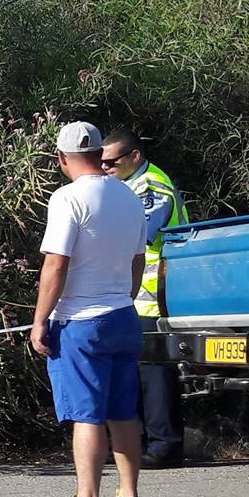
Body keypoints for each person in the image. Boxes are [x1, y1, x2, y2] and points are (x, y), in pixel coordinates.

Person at [31, 122, 150, 497]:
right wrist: (125, 298)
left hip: (81, 321)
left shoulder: (66, 198)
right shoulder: (130, 198)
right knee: (123, 412)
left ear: (62, 159)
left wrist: (39, 320)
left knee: (87, 414)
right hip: (122, 316)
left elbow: (56, 264)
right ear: (100, 153)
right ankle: (129, 496)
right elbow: (139, 261)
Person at [102, 129, 190, 469]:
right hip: (131, 295)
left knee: (155, 374)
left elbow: (140, 233)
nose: (105, 166)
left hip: (155, 296)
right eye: (101, 161)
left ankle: (165, 445)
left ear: (135, 156)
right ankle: (134, 443)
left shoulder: (152, 186)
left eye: (112, 160)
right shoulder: (126, 187)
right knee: (131, 372)